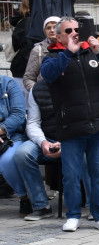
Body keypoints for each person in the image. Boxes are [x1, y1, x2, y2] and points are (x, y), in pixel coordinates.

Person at [39, 17, 99, 232]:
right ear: (59, 35)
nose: (74, 33)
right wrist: (68, 52)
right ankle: (74, 215)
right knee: (71, 176)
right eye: (68, 30)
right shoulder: (53, 56)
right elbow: (48, 76)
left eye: (77, 29)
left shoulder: (93, 53)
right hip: (71, 127)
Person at [12, 79, 61, 220]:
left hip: (72, 139)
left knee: (86, 153)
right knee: (23, 153)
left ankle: (91, 206)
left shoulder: (77, 84)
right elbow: (32, 122)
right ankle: (41, 205)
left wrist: (65, 143)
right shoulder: (37, 89)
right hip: (45, 138)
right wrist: (43, 142)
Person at [0, 76, 28, 215]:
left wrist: (1, 130)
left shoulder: (7, 84)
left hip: (11, 135)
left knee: (7, 161)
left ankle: (24, 197)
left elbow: (18, 115)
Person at [22, 16, 60, 92]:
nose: (52, 30)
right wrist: (38, 93)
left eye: (55, 27)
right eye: (48, 28)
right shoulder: (38, 50)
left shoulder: (70, 48)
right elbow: (28, 78)